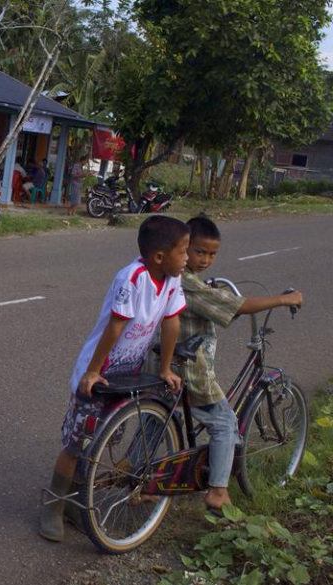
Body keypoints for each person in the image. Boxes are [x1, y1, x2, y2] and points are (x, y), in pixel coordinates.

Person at [40, 215, 190, 542]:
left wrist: (165, 368)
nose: (187, 257)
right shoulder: (132, 278)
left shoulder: (173, 278)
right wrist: (93, 371)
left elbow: (171, 322)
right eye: (183, 251)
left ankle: (74, 503)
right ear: (159, 256)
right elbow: (115, 326)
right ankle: (53, 504)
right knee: (77, 442)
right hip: (98, 372)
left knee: (100, 442)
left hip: (126, 375)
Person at [144, 215, 303, 513]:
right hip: (188, 369)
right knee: (224, 423)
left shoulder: (173, 276)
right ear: (184, 247)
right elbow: (237, 306)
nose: (205, 259)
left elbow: (212, 299)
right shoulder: (187, 283)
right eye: (199, 252)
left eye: (212, 254)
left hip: (157, 360)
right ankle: (218, 492)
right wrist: (283, 300)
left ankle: (138, 473)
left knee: (157, 418)